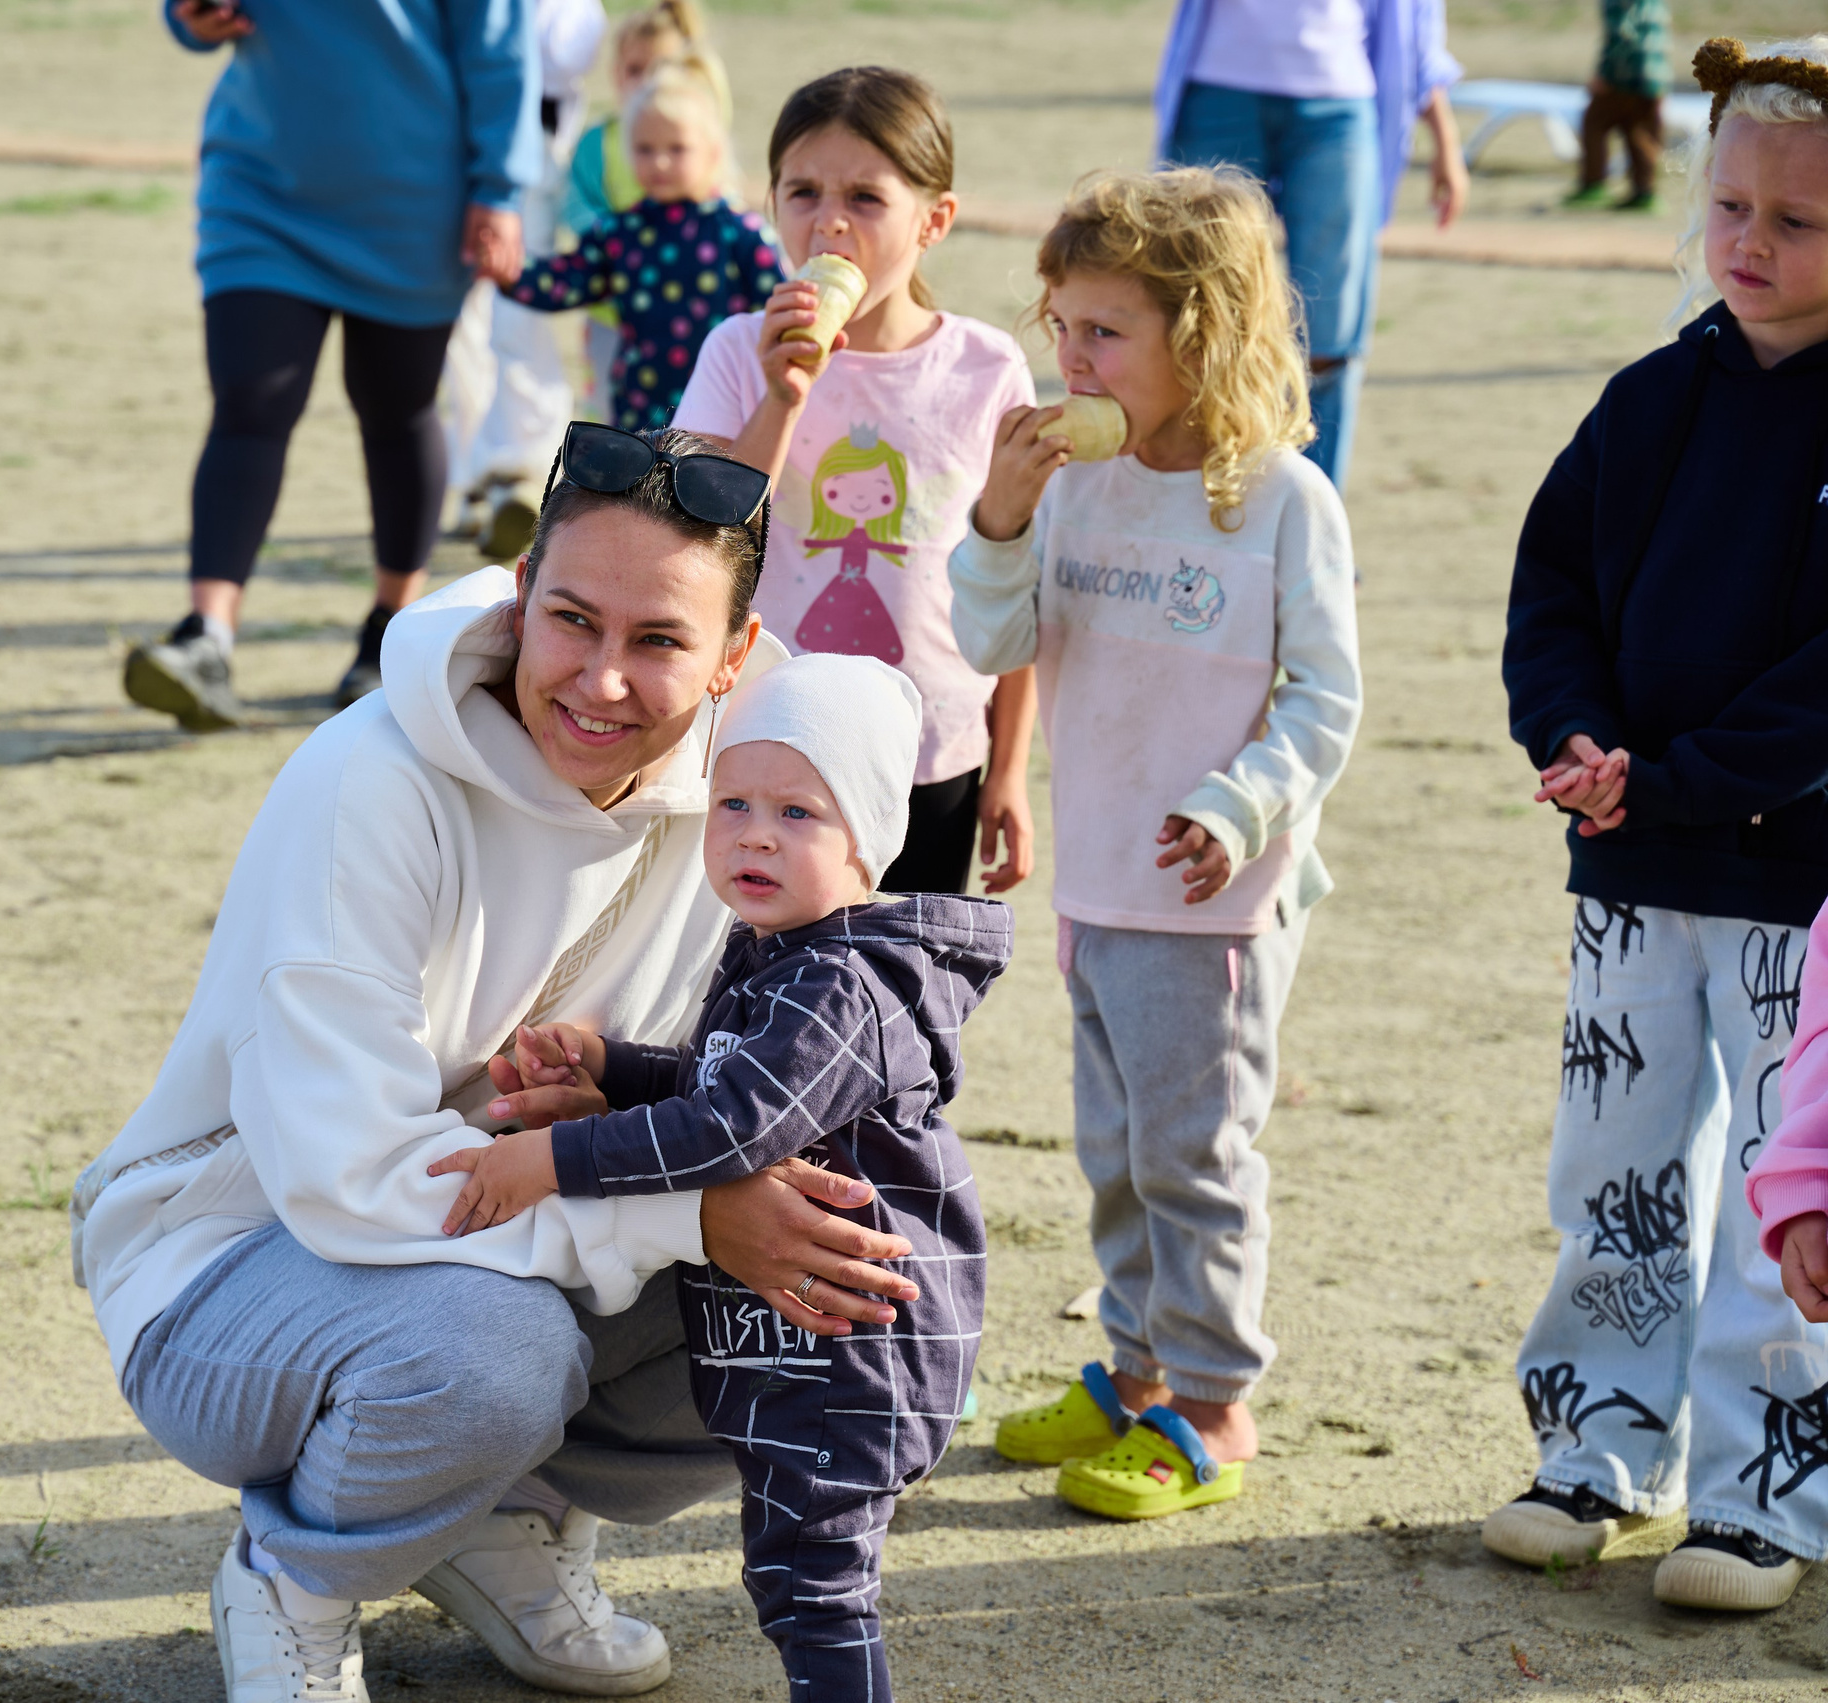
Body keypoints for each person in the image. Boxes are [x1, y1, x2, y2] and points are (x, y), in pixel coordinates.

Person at [72, 424, 931, 1703]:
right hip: (231, 1266)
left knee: (843, 1276)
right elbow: (344, 1173)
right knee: (496, 1355)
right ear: (521, 592)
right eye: (572, 618)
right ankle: (293, 1578)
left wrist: (732, 1194)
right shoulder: (369, 780)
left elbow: (766, 1086)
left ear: (734, 658)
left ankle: (498, 1523)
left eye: (659, 641)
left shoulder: (752, 807)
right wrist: (688, 1209)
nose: (601, 679)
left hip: (513, 1231)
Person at [430, 651, 1011, 1703]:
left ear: (868, 839)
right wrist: (615, 1069)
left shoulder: (841, 984)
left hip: (854, 1348)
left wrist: (550, 1156)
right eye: (733, 800)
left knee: (817, 1584)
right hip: (797, 1334)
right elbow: (723, 1080)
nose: (753, 831)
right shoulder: (779, 954)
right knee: (791, 1575)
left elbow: (731, 1127)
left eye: (798, 810)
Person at [948, 167, 1363, 1519]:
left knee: (1196, 1152)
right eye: (1060, 326)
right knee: (1116, 1145)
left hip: (1217, 896)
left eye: (1104, 332)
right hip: (1100, 877)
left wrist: (1240, 802)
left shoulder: (1286, 500)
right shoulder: (1073, 488)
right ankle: (1133, 1368)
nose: (1068, 358)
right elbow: (992, 641)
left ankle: (1214, 1400)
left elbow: (1327, 697)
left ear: (1204, 337)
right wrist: (999, 522)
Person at [1489, 34, 1828, 1614]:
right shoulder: (1648, 399)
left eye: (1799, 221)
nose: (1751, 243)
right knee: (1616, 1167)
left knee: (1788, 1194)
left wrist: (1685, 774)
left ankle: (1767, 1491)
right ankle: (1595, 1446)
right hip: (1627, 868)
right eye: (1732, 205)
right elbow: (1553, 590)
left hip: (1797, 897)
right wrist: (1578, 740)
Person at [123, 0, 535, 732]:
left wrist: (499, 189)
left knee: (396, 406)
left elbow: (500, 50)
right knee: (251, 400)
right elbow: (196, 14)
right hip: (261, 189)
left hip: (417, 205)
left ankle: (388, 632)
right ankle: (206, 637)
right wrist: (192, 16)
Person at [677, 67, 1038, 899]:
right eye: (802, 191)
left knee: (906, 1002)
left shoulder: (986, 369)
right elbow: (699, 539)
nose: (829, 222)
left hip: (933, 753)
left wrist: (1009, 770)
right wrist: (782, 396)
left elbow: (1017, 584)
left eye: (866, 199)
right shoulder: (738, 351)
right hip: (765, 749)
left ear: (934, 219)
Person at [1153, 0, 1470, 489]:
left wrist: (1445, 139)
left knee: (1329, 334)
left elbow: (1416, 24)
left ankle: (1316, 528)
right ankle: (1199, 508)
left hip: (1338, 102)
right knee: (1195, 317)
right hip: (1218, 86)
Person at [501, 63, 780, 435]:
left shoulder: (740, 234)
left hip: (725, 416)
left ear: (713, 153)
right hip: (639, 417)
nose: (659, 161)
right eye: (644, 149)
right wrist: (508, 271)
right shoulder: (620, 233)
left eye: (677, 148)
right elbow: (565, 281)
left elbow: (779, 303)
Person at [449, 0, 605, 564]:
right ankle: (473, 473)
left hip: (526, 154)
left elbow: (561, 55)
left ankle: (523, 471)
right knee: (451, 326)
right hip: (444, 139)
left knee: (518, 317)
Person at [566, 2, 727, 422]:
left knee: (684, 417)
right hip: (611, 311)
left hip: (683, 313)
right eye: (634, 69)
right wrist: (617, 243)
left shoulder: (693, 139)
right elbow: (576, 202)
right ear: (616, 72)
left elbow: (718, 210)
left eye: (658, 70)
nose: (644, 83)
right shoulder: (598, 142)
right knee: (604, 408)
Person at [1571, 0, 1672, 211]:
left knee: (1594, 123)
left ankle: (1593, 184)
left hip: (1627, 74)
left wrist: (1605, 74)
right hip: (1656, 73)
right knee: (1638, 130)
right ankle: (1645, 192)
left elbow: (1622, 35)